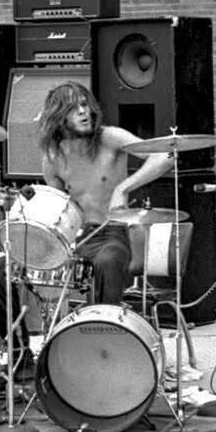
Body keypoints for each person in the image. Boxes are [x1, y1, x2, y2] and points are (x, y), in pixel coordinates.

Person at [39, 81, 174, 305]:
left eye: (85, 105)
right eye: (73, 108)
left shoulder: (110, 137)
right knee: (6, 266)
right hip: (79, 238)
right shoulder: (53, 158)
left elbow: (165, 156)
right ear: (58, 117)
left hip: (115, 232)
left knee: (107, 260)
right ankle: (23, 337)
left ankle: (105, 326)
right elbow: (58, 210)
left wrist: (123, 188)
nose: (84, 111)